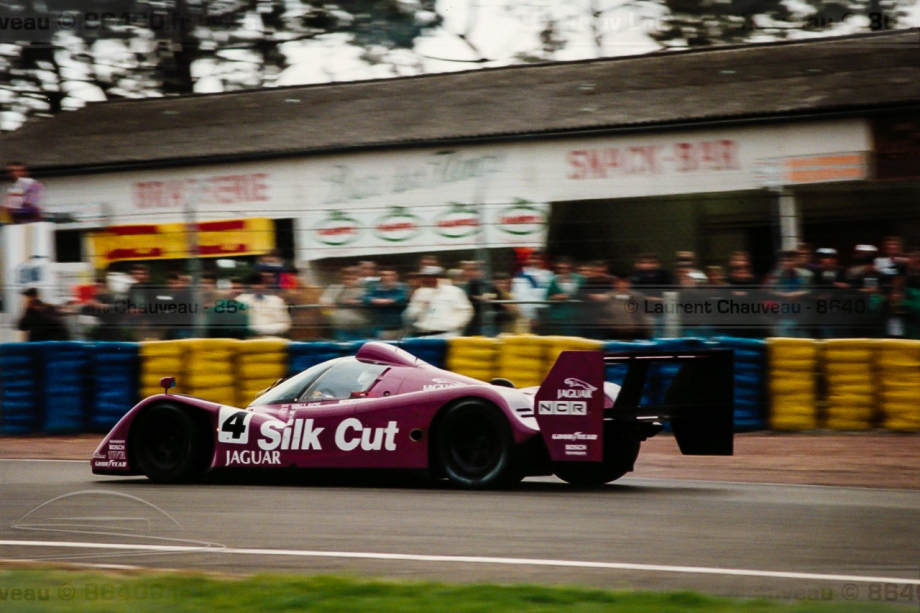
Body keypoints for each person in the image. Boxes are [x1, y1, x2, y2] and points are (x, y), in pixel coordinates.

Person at [403, 266, 473, 338]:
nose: (429, 279)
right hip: (423, 335)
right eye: (426, 277)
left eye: (432, 277)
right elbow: (410, 314)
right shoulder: (419, 293)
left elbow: (466, 311)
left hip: (447, 335)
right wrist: (421, 306)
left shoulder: (454, 291)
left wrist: (453, 325)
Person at [319, 266, 369, 341]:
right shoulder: (334, 288)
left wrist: (357, 302)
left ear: (358, 278)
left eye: (353, 279)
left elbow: (369, 302)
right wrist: (330, 315)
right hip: (340, 328)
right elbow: (323, 303)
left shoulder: (364, 290)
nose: (349, 281)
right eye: (346, 279)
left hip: (360, 327)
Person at [236, 273, 292, 337]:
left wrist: (264, 331)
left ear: (265, 285)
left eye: (260, 284)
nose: (257, 287)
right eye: (254, 284)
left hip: (273, 338)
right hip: (250, 339)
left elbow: (285, 324)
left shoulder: (277, 301)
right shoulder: (240, 300)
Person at [510, 250, 553, 333]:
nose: (536, 261)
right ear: (527, 260)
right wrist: (531, 316)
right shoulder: (521, 275)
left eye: (538, 258)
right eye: (533, 258)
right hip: (530, 317)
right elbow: (521, 298)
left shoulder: (549, 275)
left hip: (547, 315)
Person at [364, 268, 408, 340]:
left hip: (399, 325)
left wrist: (390, 300)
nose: (387, 277)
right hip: (380, 325)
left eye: (390, 275)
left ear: (396, 276)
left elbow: (403, 297)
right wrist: (375, 300)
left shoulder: (402, 287)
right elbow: (365, 298)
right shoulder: (375, 288)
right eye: (384, 275)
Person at [544, 257, 583, 336]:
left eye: (567, 268)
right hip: (559, 317)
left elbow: (585, 294)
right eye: (561, 268)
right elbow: (547, 298)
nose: (564, 271)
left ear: (571, 269)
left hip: (576, 317)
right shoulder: (553, 280)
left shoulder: (580, 279)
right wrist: (555, 297)